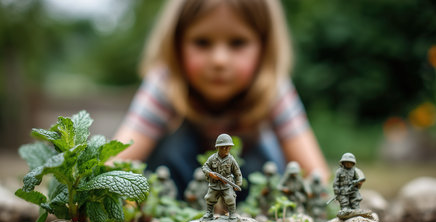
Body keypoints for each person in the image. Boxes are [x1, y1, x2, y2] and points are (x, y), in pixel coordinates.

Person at [113, 0, 330, 197]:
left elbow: (316, 176)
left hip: (248, 193)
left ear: (264, 47)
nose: (219, 60)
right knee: (171, 148)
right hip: (183, 190)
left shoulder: (273, 87)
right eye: (202, 42)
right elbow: (118, 162)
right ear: (176, 44)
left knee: (270, 155)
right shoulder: (165, 82)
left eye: (237, 43)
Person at [201, 133, 242, 222]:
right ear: (218, 147)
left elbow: (237, 172)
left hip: (226, 184)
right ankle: (209, 213)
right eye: (224, 147)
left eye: (229, 147)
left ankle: (232, 214)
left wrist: (238, 184)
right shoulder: (212, 158)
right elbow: (205, 167)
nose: (227, 149)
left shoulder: (231, 160)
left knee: (230, 198)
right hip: (215, 184)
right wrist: (211, 174)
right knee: (210, 198)